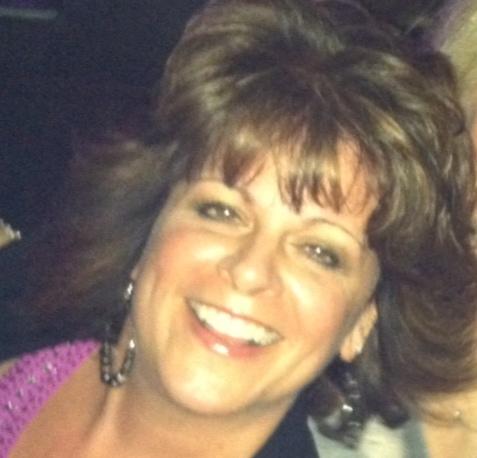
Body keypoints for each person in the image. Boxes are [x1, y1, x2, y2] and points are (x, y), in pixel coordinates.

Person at [1, 0, 477, 456]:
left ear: (360, 325)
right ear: (152, 221)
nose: (250, 271)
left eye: (319, 252)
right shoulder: (20, 311)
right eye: (222, 212)